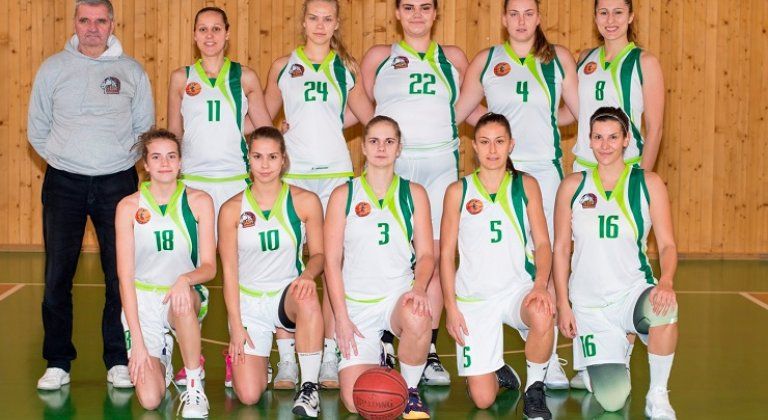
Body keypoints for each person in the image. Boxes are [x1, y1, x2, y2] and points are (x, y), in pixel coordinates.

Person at [27, 0, 154, 390]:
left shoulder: (131, 71)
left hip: (117, 184)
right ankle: (57, 362)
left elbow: (144, 127)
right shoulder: (52, 68)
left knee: (120, 275)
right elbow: (37, 127)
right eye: (85, 20)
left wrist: (115, 161)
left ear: (112, 24)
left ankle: (117, 359)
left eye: (100, 21)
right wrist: (66, 159)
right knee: (57, 276)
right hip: (63, 183)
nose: (92, 28)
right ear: (75, 23)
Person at [454, 0, 579, 389]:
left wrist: (545, 119)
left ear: (538, 17)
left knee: (547, 257)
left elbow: (578, 113)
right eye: (514, 14)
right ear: (504, 19)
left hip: (544, 171)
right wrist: (494, 134)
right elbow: (460, 111)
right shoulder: (487, 60)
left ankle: (548, 357)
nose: (521, 21)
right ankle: (504, 347)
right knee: (504, 257)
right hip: (498, 174)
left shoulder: (558, 58)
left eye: (528, 13)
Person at [263, 0, 374, 389]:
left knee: (331, 265)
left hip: (335, 177)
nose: (320, 25)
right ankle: (287, 359)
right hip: (294, 177)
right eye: (314, 18)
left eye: (328, 19)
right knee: (287, 263)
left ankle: (329, 354)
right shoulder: (283, 66)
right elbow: (263, 119)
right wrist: (282, 130)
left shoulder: (345, 68)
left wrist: (330, 122)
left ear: (337, 24)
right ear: (303, 21)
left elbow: (367, 116)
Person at [360, 0, 467, 385]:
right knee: (387, 252)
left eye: (425, 7)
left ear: (436, 13)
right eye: (408, 7)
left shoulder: (453, 58)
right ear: (397, 13)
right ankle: (386, 338)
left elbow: (466, 107)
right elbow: (364, 105)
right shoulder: (379, 57)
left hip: (439, 164)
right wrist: (381, 141)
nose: (417, 15)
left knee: (433, 256)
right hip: (394, 163)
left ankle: (429, 347)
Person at [166, 5, 273, 388]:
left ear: (227, 33)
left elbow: (263, 130)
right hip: (194, 186)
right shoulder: (181, 78)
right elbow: (174, 134)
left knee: (237, 272)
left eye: (216, 29)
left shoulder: (245, 76)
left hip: (234, 186)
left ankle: (238, 353)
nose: (209, 35)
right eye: (202, 29)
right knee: (194, 270)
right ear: (194, 35)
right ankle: (190, 358)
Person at [553, 107, 678, 418]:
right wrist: (563, 304)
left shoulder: (648, 183)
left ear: (626, 140)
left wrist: (666, 281)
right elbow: (560, 249)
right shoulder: (572, 186)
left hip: (631, 292)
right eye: (598, 137)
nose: (605, 145)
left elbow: (667, 245)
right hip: (590, 305)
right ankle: (616, 350)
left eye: (612, 137)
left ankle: (658, 395)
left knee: (665, 308)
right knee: (612, 401)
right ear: (589, 141)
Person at [441, 113, 554, 419]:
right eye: (485, 142)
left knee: (542, 311)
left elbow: (543, 244)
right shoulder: (458, 191)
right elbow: (445, 254)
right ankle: (499, 371)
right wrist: (450, 307)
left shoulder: (526, 185)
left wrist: (540, 285)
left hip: (517, 290)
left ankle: (534, 390)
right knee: (482, 400)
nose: (492, 150)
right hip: (474, 299)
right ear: (474, 147)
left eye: (499, 142)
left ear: (511, 145)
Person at [324, 116, 433, 419]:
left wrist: (419, 289)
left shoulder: (414, 194)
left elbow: (426, 254)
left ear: (399, 148)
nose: (381, 148)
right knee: (356, 401)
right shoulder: (344, 195)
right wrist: (341, 318)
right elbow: (331, 262)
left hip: (397, 296)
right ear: (363, 147)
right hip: (358, 305)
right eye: (374, 141)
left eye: (389, 141)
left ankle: (411, 390)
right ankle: (382, 354)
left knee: (418, 314)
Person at [219, 127, 326, 418]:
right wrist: (236, 325)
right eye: (257, 157)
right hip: (249, 302)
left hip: (286, 295)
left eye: (272, 157)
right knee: (249, 396)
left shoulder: (304, 201)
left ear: (283, 160)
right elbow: (229, 272)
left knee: (307, 296)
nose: (265, 165)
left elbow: (319, 255)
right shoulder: (231, 209)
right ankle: (257, 361)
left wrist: (308, 275)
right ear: (248, 159)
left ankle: (309, 387)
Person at [115, 129, 215, 418]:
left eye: (171, 156)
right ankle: (163, 355)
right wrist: (138, 343)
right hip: (143, 300)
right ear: (145, 164)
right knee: (149, 400)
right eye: (156, 157)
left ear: (180, 162)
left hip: (182, 295)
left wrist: (185, 279)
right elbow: (125, 279)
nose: (165, 163)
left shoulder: (199, 201)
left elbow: (210, 267)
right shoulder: (128, 207)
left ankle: (194, 387)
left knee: (181, 300)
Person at [570, 0, 664, 173]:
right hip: (584, 168)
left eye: (618, 12)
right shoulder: (585, 58)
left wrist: (640, 179)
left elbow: (655, 129)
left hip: (626, 169)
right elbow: (572, 112)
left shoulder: (645, 62)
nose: (610, 20)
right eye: (603, 12)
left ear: (630, 16)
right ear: (595, 17)